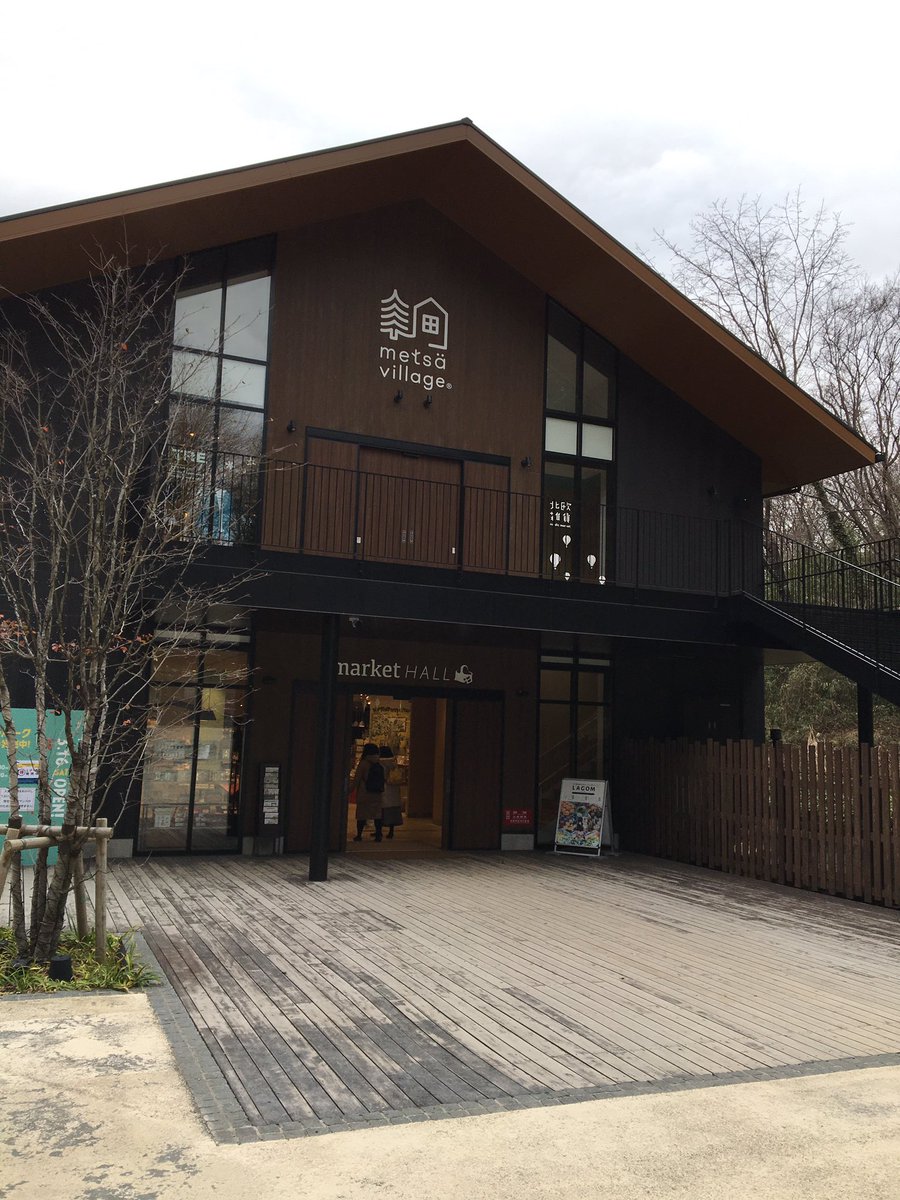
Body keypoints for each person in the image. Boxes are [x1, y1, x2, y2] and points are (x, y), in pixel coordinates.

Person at [352, 742, 384, 842]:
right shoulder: (379, 763)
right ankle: (378, 835)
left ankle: (359, 835)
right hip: (377, 793)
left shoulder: (363, 763)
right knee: (377, 814)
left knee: (362, 815)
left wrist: (349, 790)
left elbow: (357, 779)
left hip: (364, 793)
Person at [378, 745, 404, 839]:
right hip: (394, 788)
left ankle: (379, 831)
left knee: (381, 811)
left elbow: (381, 776)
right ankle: (391, 831)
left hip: (384, 788)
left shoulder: (380, 763)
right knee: (393, 810)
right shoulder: (393, 763)